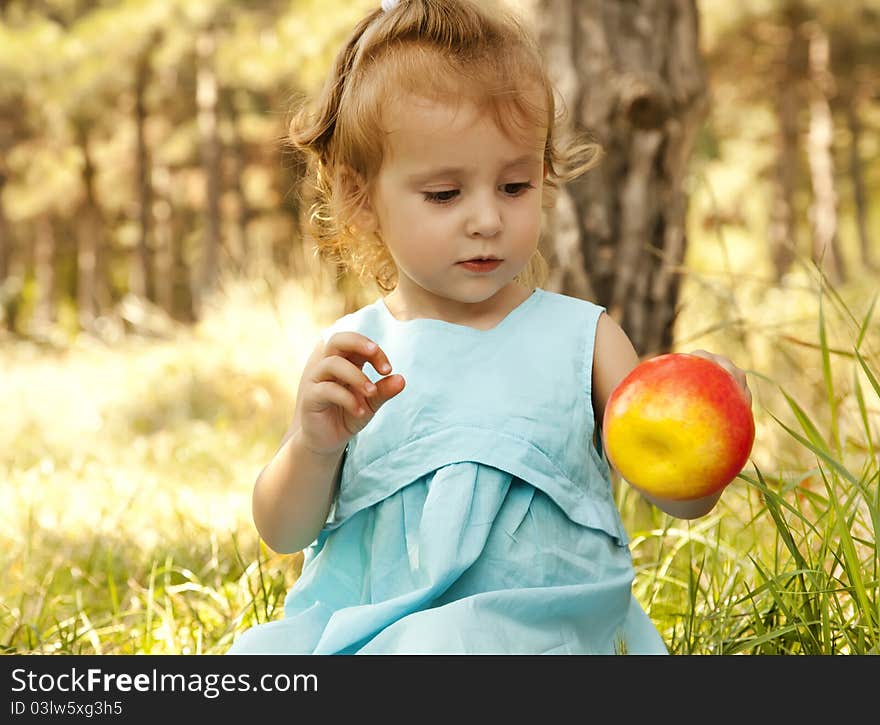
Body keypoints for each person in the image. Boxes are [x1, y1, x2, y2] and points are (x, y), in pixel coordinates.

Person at [227, 0, 751, 655]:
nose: (487, 219)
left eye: (514, 185)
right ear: (362, 197)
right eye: (445, 194)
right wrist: (313, 443)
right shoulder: (358, 354)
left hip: (535, 636)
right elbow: (284, 529)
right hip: (375, 631)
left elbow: (678, 499)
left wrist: (709, 430)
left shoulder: (581, 340)